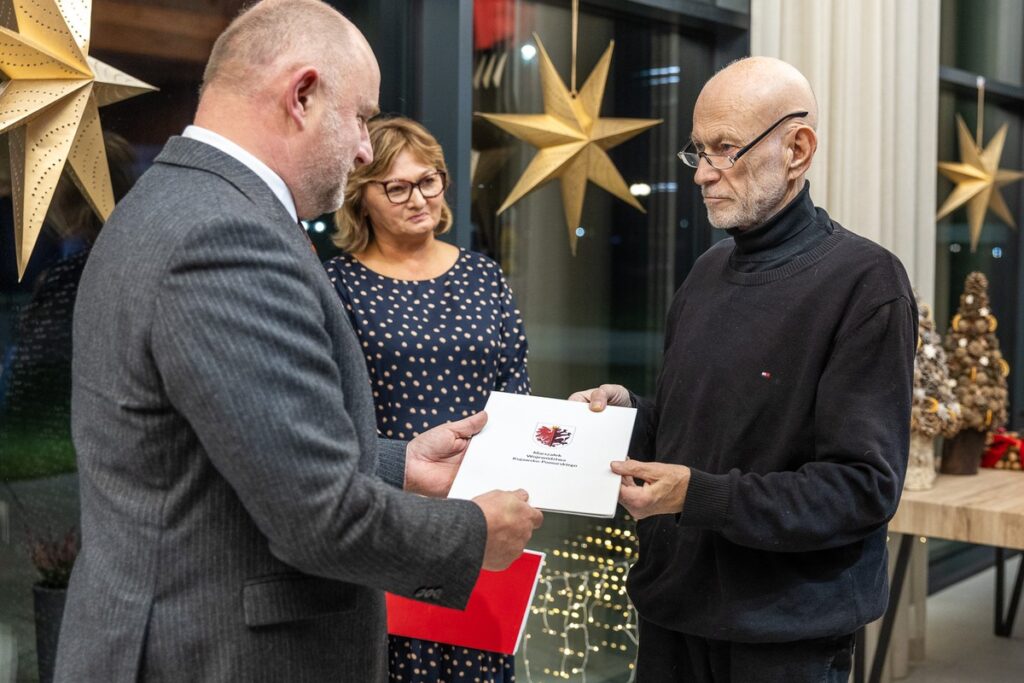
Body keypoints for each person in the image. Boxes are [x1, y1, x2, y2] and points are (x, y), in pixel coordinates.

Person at [55, 2, 543, 681]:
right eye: (364, 117)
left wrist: (401, 466)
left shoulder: (177, 200)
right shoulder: (227, 236)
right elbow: (319, 516)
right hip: (217, 652)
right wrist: (474, 535)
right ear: (302, 94)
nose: (366, 149)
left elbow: (241, 450)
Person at [571, 56, 916, 682]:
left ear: (798, 149)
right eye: (698, 151)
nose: (702, 174)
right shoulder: (706, 272)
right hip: (673, 613)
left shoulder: (867, 282)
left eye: (725, 149)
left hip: (783, 633)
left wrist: (698, 495)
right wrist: (630, 415)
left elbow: (863, 488)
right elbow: (698, 427)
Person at [324, 115, 530, 682]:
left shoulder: (484, 275)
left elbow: (517, 388)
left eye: (429, 180)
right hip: (390, 515)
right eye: (396, 186)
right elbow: (331, 414)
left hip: (480, 517)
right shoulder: (335, 284)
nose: (419, 199)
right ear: (360, 198)